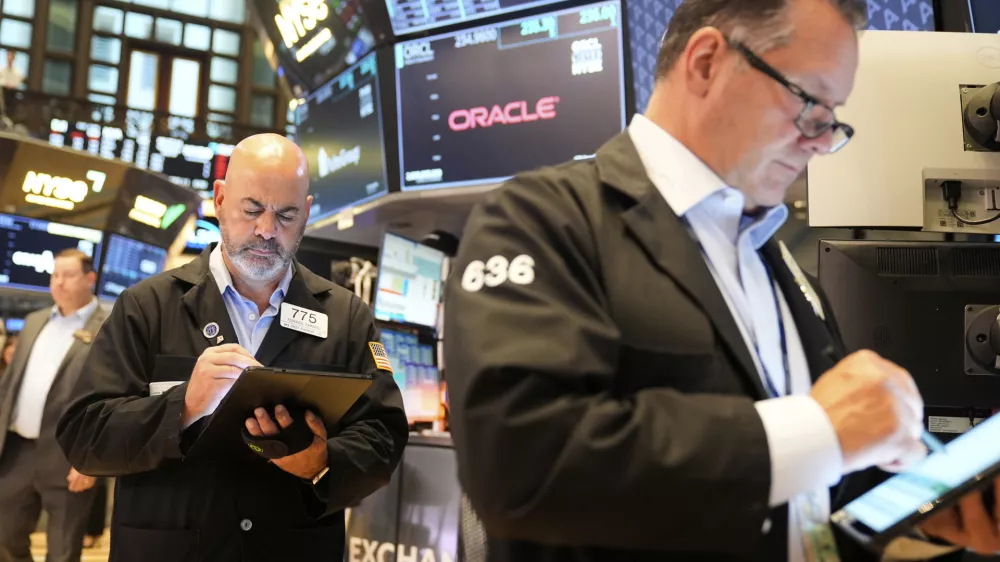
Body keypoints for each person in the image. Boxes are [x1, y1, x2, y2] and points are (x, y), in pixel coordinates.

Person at [443, 0, 1000, 560]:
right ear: (707, 62)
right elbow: (523, 466)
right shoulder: (542, 219)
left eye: (834, 119)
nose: (820, 140)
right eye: (809, 102)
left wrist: (932, 506)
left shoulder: (778, 267)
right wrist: (818, 429)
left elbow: (805, 499)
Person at [56, 133, 408, 562]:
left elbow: (384, 435)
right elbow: (84, 433)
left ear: (308, 214)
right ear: (220, 198)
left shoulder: (347, 318)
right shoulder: (146, 307)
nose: (266, 230)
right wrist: (182, 406)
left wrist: (322, 461)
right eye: (252, 209)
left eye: (286, 215)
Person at [0, 249, 109, 562]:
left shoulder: (108, 327)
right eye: (55, 275)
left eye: (68, 275)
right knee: (5, 539)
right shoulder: (35, 322)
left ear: (90, 279)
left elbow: (110, 398)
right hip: (17, 452)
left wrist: (90, 460)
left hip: (68, 456)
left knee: (63, 551)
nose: (58, 282)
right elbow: (11, 386)